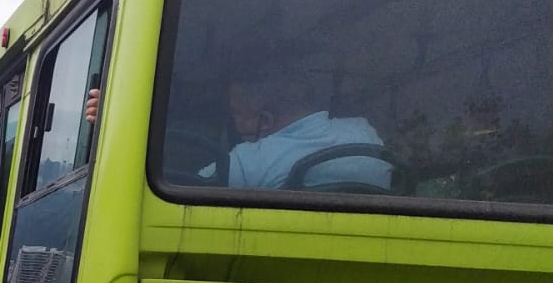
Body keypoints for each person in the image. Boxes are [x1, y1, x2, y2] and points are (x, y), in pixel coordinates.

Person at [83, 75, 390, 191]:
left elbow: (170, 187)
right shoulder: (365, 132)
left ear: (266, 121)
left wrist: (116, 125)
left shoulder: (250, 162)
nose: (234, 125)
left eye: (236, 115)